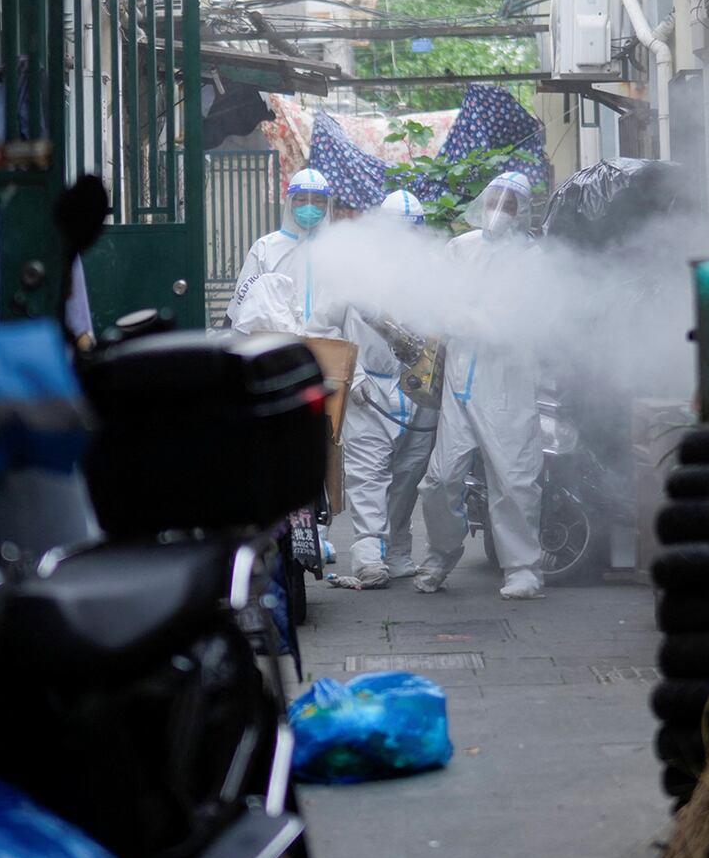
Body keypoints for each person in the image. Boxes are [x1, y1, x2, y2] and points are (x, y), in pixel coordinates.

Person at [413, 172, 549, 600]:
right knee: (439, 478)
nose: (499, 211)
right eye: (495, 200)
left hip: (506, 383)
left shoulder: (533, 259)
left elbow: (534, 317)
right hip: (460, 381)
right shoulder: (461, 248)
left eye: (509, 205)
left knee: (514, 479)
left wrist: (486, 323)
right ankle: (440, 553)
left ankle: (523, 567)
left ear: (521, 212)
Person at [336, 191, 443, 586]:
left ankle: (398, 549)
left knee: (409, 473)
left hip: (419, 391)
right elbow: (326, 326)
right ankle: (367, 555)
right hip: (370, 388)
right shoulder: (356, 272)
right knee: (367, 473)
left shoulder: (433, 271)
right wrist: (355, 374)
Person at [226, 167, 336, 336]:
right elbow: (244, 299)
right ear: (290, 202)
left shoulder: (338, 248)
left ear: (327, 204)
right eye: (301, 199)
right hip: (278, 347)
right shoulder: (265, 248)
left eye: (318, 200)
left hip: (330, 347)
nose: (309, 206)